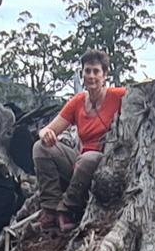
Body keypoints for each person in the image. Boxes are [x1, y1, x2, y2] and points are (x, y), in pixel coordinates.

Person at [34, 49, 126, 232]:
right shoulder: (77, 102)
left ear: (105, 74)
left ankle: (67, 209)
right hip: (79, 161)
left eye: (96, 71)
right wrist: (45, 134)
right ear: (82, 73)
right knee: (40, 148)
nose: (91, 76)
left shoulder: (118, 96)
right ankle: (50, 209)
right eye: (87, 71)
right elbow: (48, 129)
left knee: (90, 158)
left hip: (104, 161)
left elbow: (144, 97)